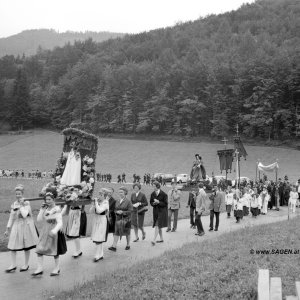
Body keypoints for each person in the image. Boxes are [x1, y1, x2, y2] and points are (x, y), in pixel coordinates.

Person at [4, 184, 39, 273]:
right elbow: (11, 217)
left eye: (19, 194)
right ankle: (13, 265)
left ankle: (26, 264)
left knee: (26, 246)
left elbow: (25, 215)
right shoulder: (14, 204)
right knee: (12, 246)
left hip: (25, 225)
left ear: (22, 194)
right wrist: (7, 229)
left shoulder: (27, 202)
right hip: (17, 225)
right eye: (16, 194)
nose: (17, 196)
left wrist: (21, 205)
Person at [33, 189, 67, 276]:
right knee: (39, 249)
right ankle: (40, 268)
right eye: (46, 199)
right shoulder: (46, 208)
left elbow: (60, 223)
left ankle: (57, 268)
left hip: (54, 230)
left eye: (49, 199)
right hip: (45, 230)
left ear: (54, 199)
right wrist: (41, 210)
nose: (47, 201)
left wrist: (54, 231)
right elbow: (39, 220)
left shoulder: (57, 209)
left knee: (54, 251)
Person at [108, 187, 133, 252]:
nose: (120, 193)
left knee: (127, 232)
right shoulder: (117, 201)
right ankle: (114, 246)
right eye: (119, 192)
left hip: (126, 220)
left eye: (121, 192)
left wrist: (123, 212)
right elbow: (115, 209)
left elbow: (130, 211)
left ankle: (128, 245)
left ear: (125, 193)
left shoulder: (128, 201)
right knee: (116, 232)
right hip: (118, 219)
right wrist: (116, 211)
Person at [90, 188, 109, 262]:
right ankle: (101, 254)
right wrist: (93, 205)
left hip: (102, 220)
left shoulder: (105, 202)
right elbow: (91, 211)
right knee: (97, 237)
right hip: (96, 220)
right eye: (99, 194)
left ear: (105, 196)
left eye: (101, 195)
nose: (99, 196)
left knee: (98, 237)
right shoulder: (98, 202)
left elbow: (99, 210)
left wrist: (96, 203)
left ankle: (97, 255)